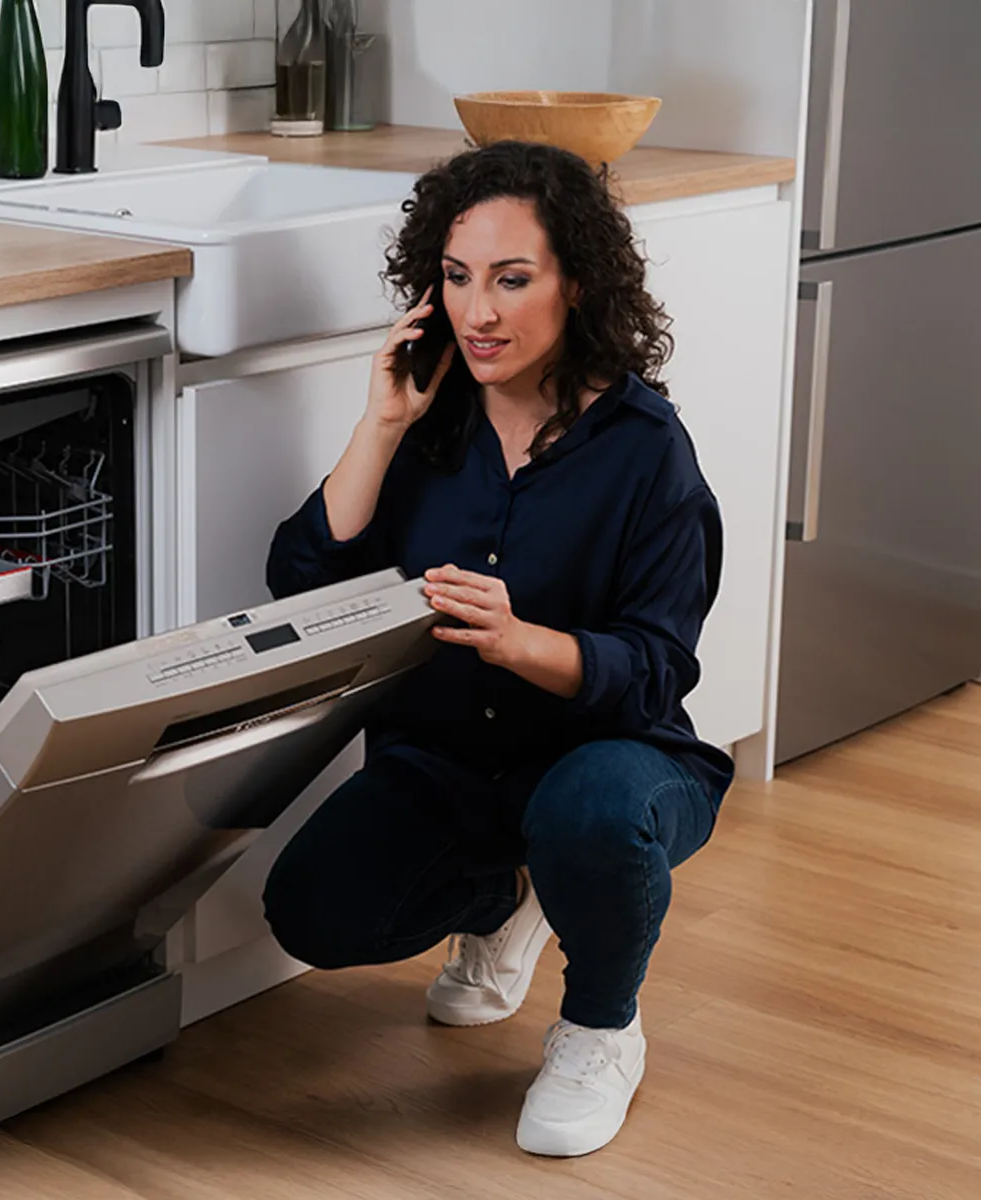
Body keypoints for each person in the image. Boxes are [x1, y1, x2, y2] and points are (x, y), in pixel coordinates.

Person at [259, 140, 733, 1158]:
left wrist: (523, 644)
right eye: (457, 278)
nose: (478, 312)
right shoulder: (429, 427)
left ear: (577, 286)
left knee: (590, 815)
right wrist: (380, 425)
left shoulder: (647, 451)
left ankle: (601, 1027)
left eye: (512, 280)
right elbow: (301, 589)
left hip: (611, 755)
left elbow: (654, 666)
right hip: (447, 761)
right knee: (309, 908)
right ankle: (512, 897)